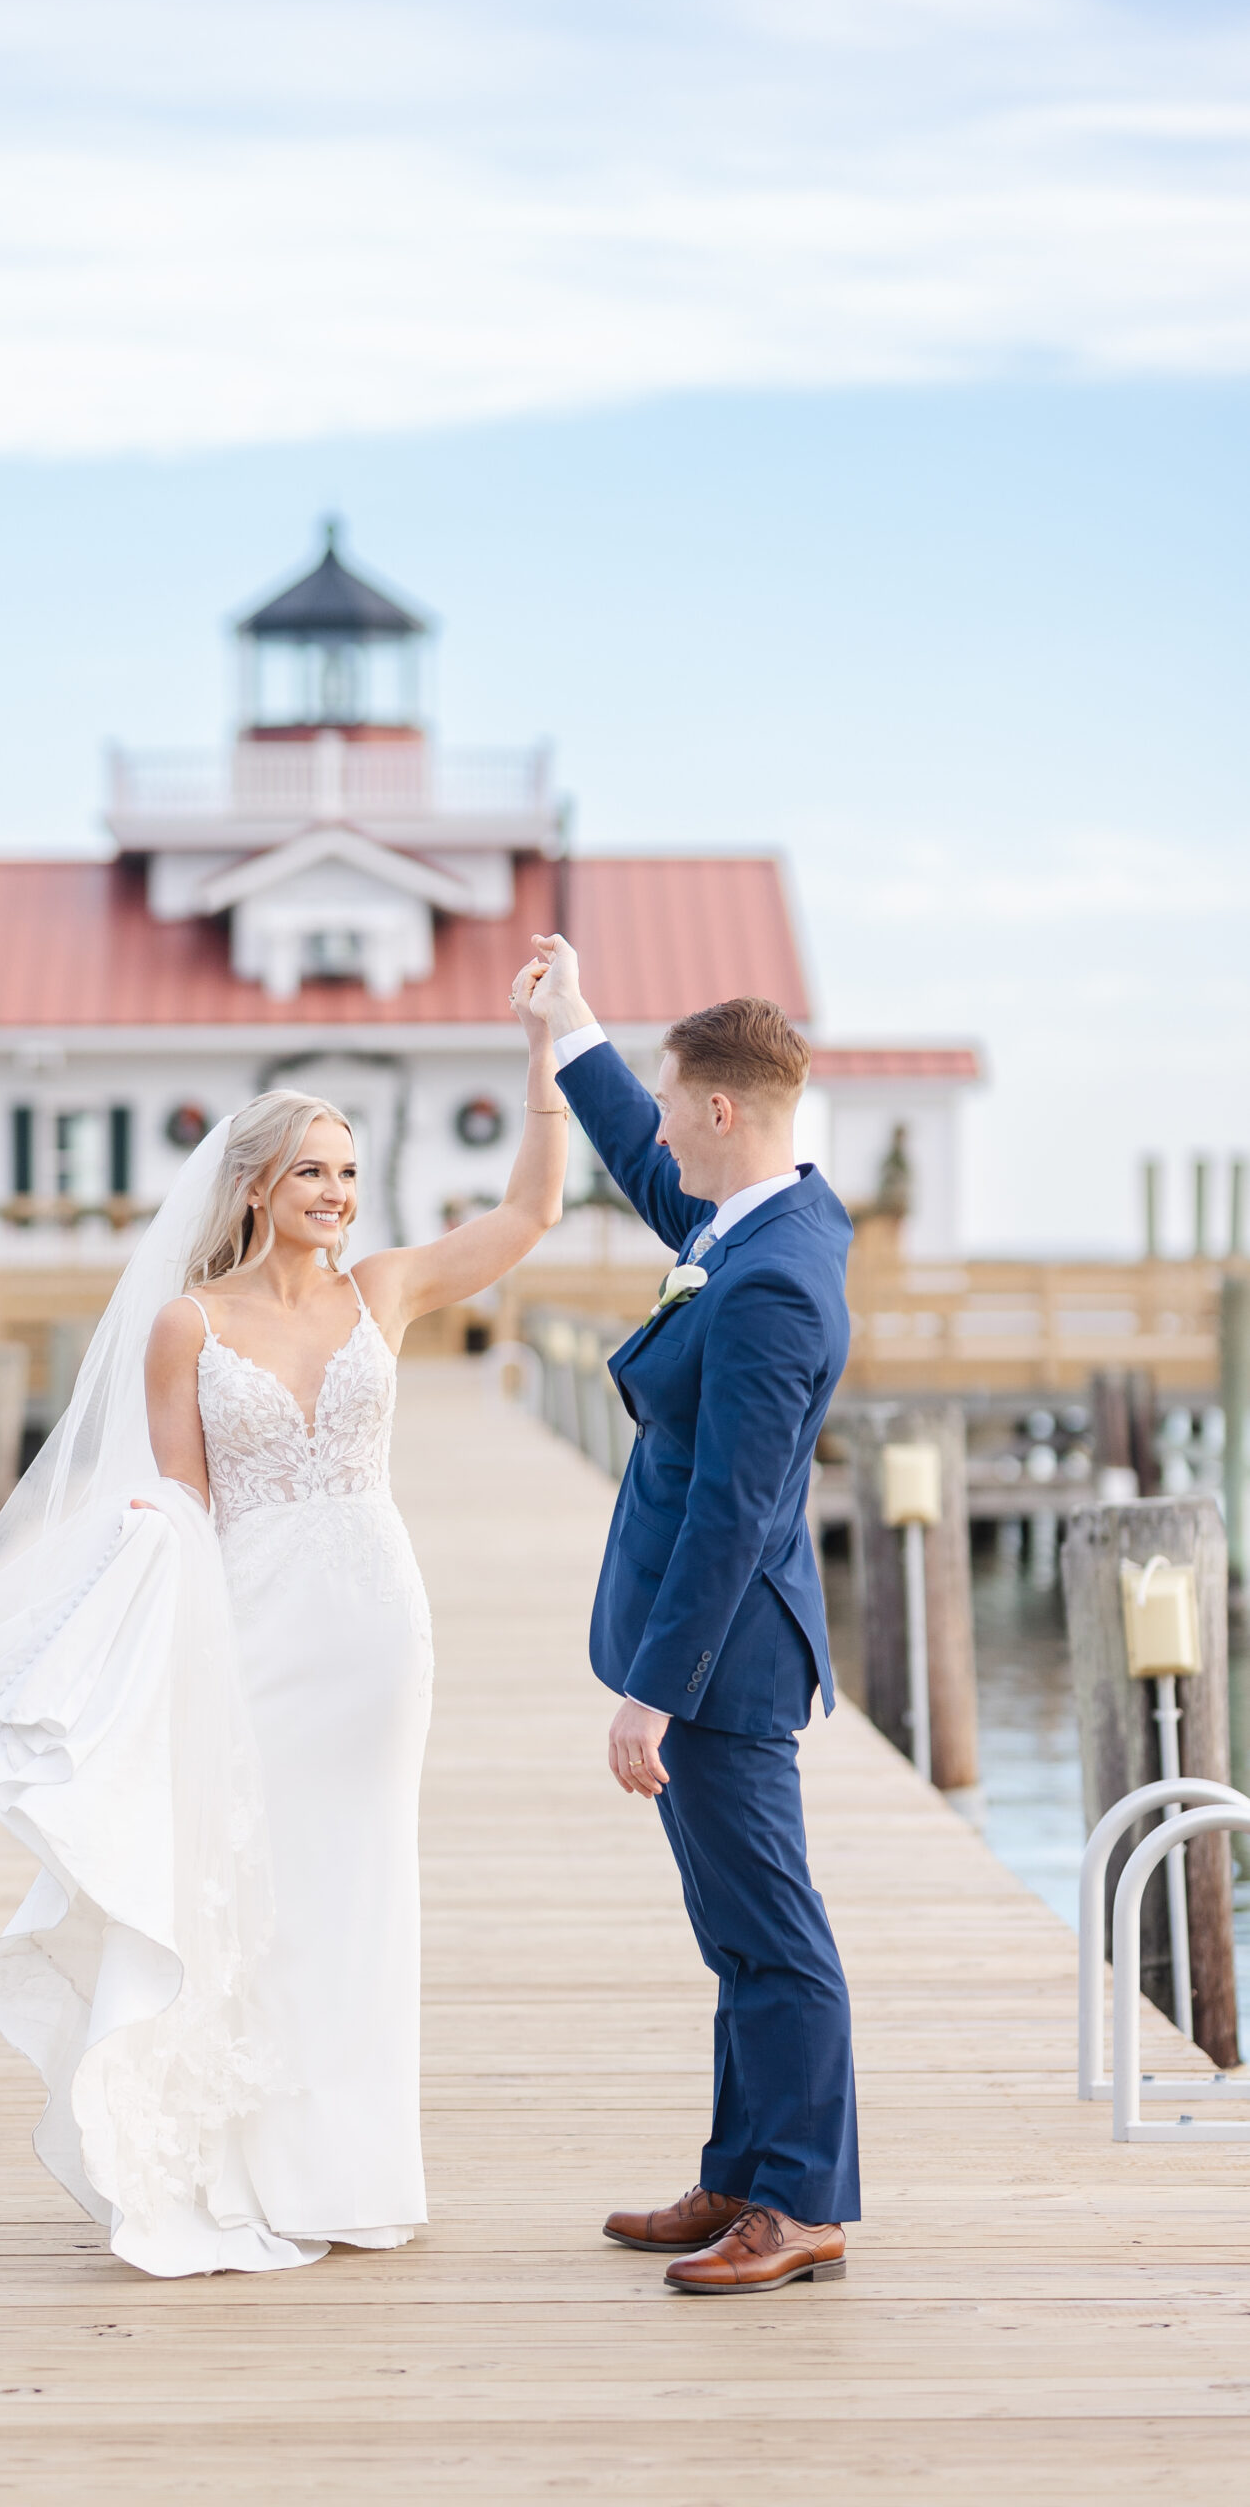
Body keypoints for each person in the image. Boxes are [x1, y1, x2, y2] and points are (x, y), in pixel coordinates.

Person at [0, 998, 568, 2278]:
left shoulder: (386, 1291)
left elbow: (528, 1220)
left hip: (375, 1630)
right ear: (253, 1183)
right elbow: (179, 1497)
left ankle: (356, 2167)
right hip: (252, 1628)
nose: (337, 1193)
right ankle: (249, 2160)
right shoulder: (188, 1321)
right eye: (312, 1169)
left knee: (363, 1886)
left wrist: (543, 1061)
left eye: (351, 1172)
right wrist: (96, 1625)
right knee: (256, 1885)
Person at [522, 935, 860, 2296]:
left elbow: (736, 1511)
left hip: (722, 1663)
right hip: (705, 1648)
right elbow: (647, 1175)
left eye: (669, 1101)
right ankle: (740, 2170)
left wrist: (655, 1689)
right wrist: (574, 1028)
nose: (657, 1126)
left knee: (773, 1932)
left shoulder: (774, 1280)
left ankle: (801, 2204)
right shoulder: (754, 1220)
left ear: (722, 1109)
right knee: (732, 1929)